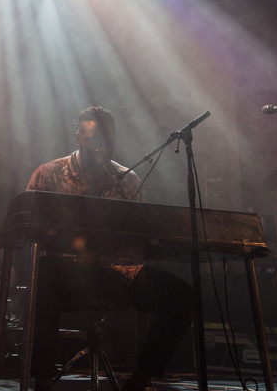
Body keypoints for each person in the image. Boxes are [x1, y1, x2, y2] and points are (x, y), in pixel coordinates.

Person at [26, 106, 194, 391]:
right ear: (78, 137)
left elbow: (142, 240)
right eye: (93, 138)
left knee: (183, 297)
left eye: (108, 140)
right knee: (44, 272)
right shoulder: (48, 175)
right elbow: (27, 234)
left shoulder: (128, 182)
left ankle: (140, 381)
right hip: (65, 277)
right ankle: (42, 379)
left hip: (115, 274)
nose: (100, 147)